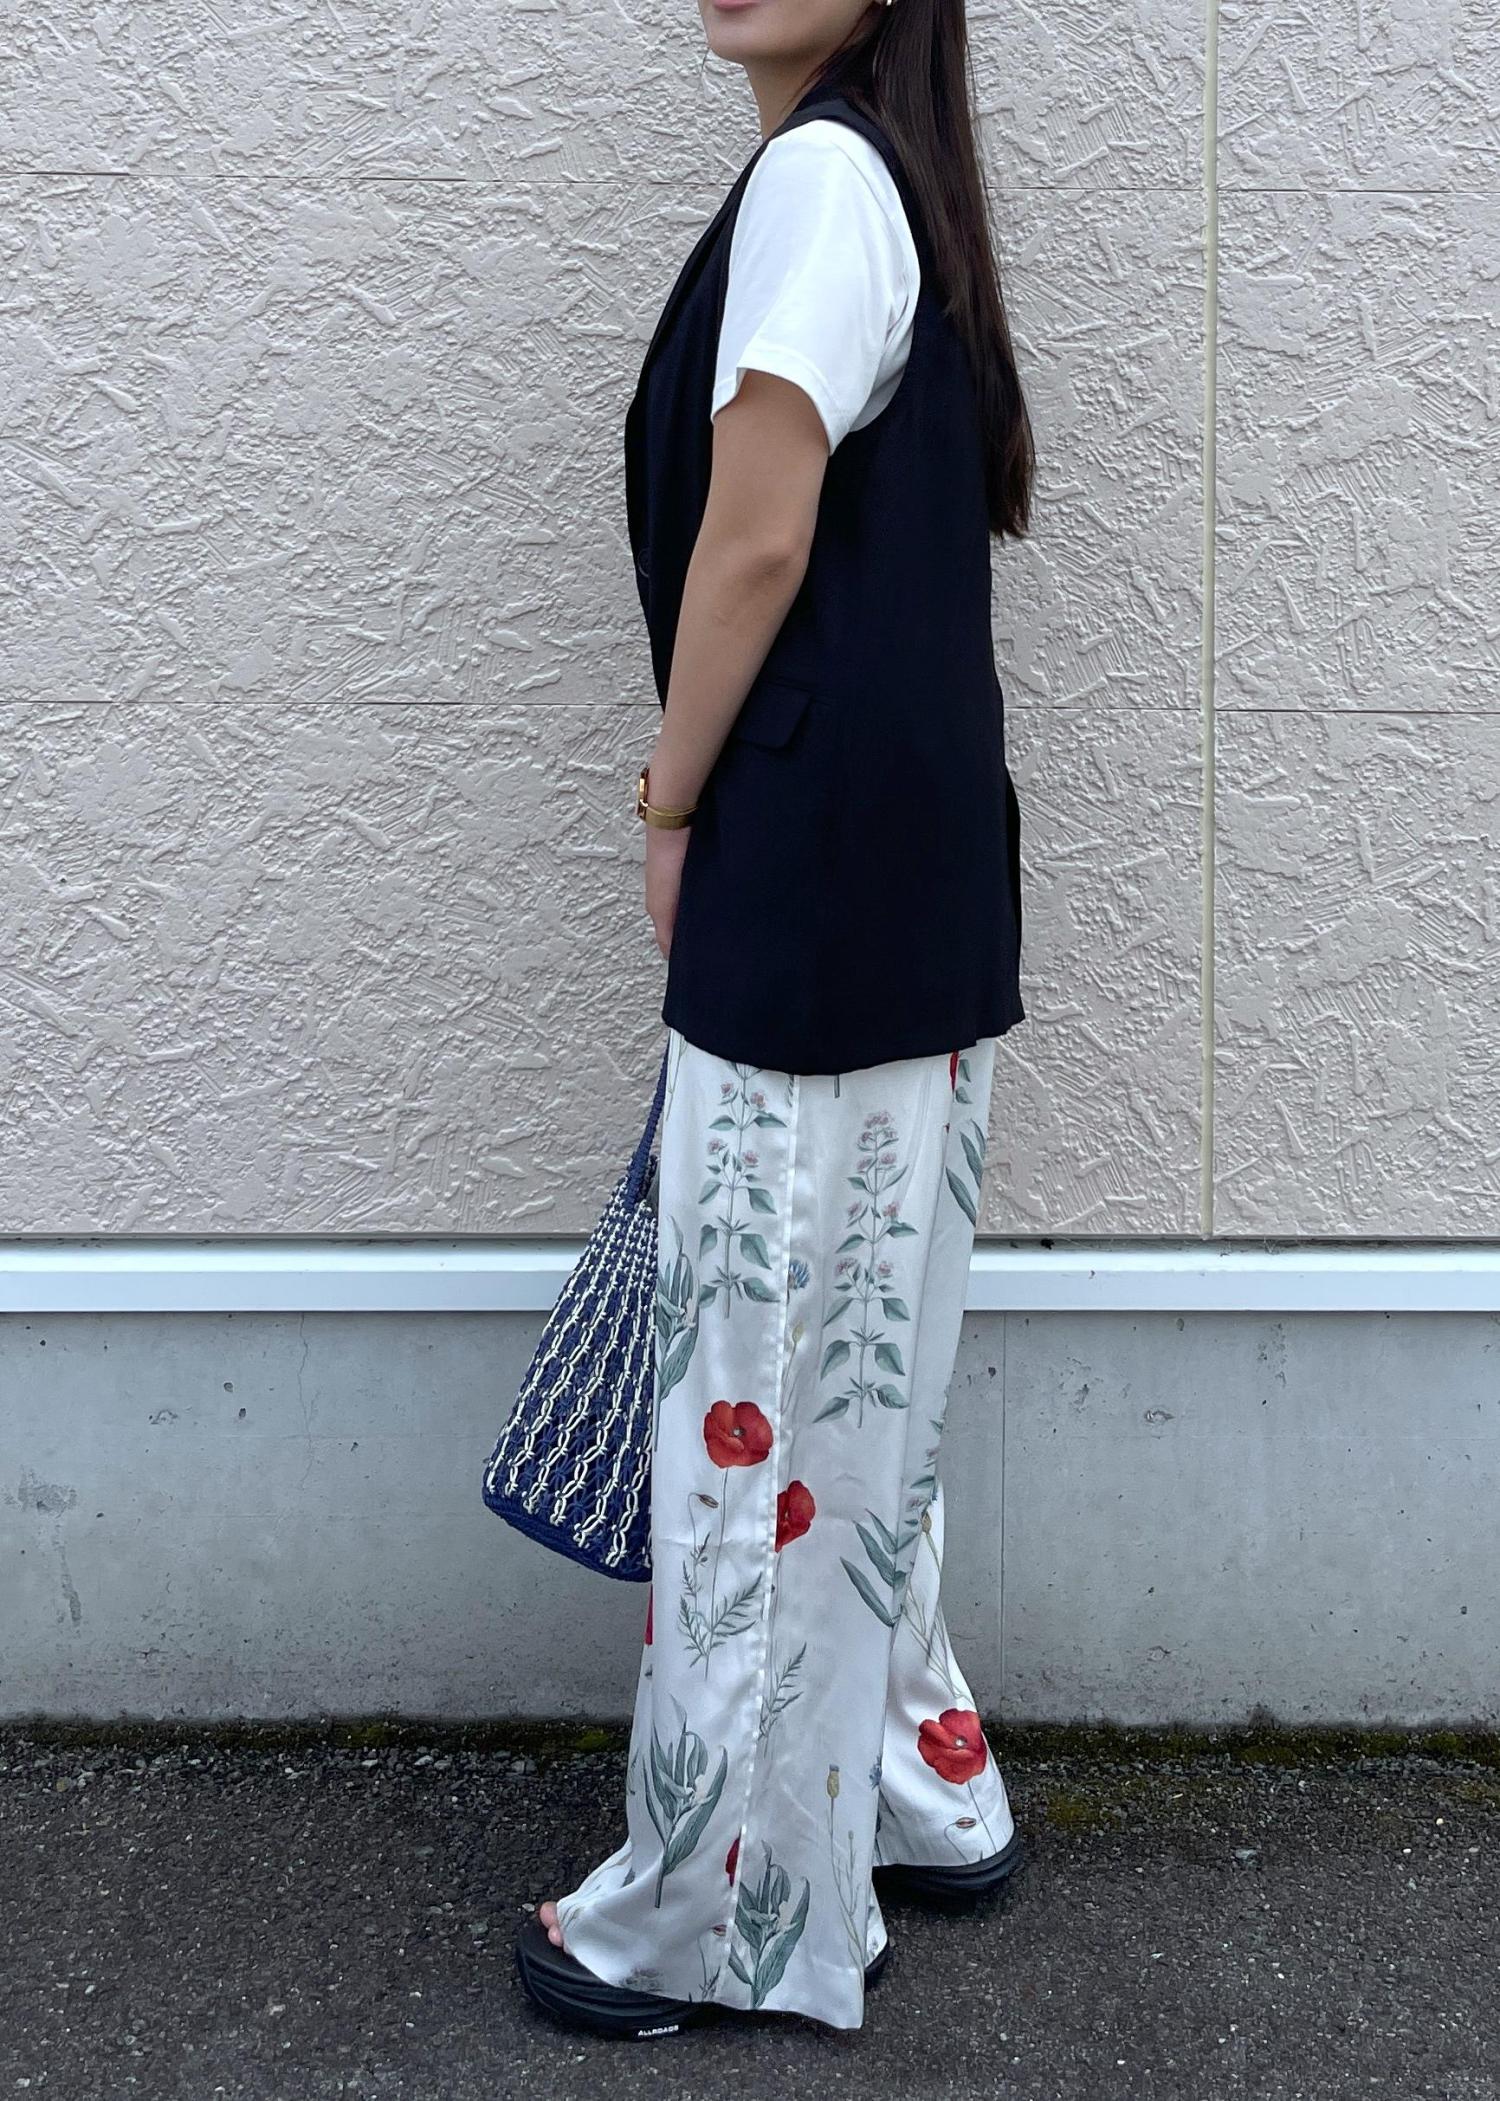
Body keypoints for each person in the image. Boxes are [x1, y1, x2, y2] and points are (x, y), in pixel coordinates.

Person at [517, 0, 1034, 2038]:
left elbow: (757, 534)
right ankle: (916, 1778)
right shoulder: (893, 182)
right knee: (860, 1363)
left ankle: (708, 1907)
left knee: (754, 1389)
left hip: (808, 866)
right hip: (913, 869)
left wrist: (667, 805)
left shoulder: (823, 177)